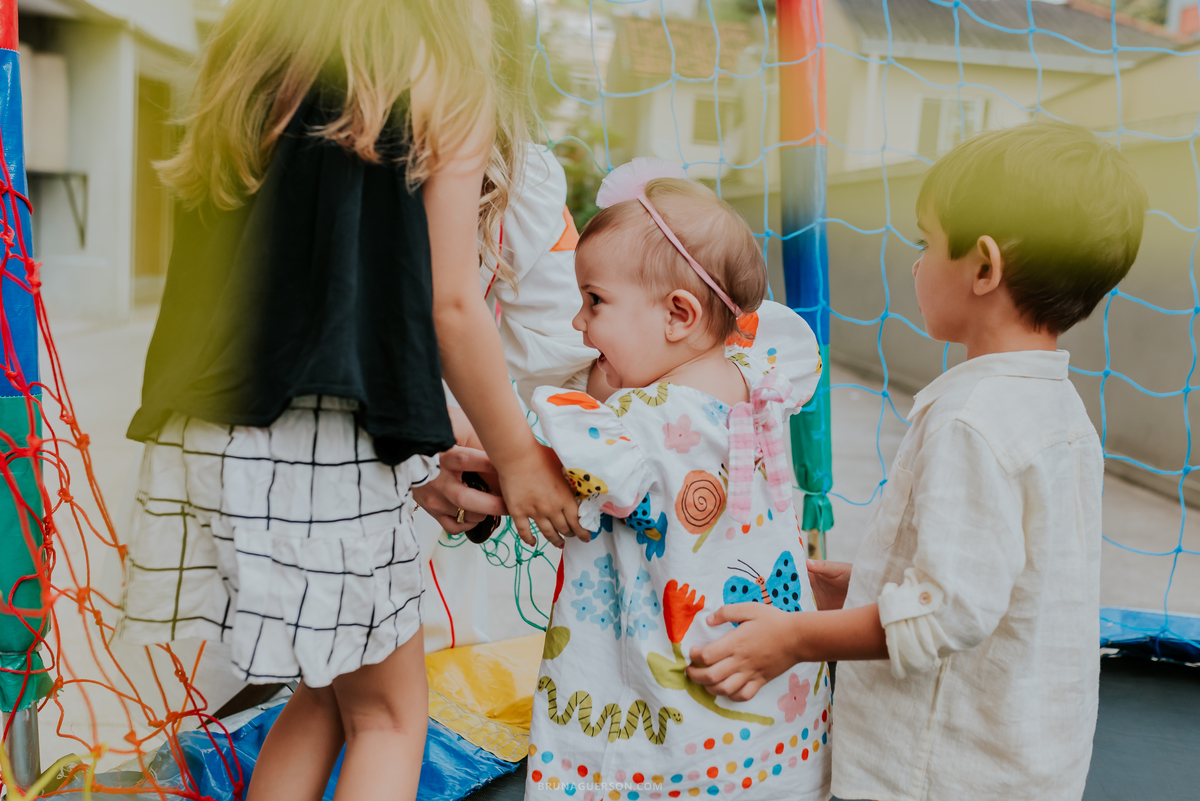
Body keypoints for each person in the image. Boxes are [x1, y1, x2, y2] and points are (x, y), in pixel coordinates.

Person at [115, 2, 585, 801]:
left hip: (212, 427)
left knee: (329, 693)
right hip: (321, 444)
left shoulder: (259, 50)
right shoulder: (445, 74)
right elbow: (451, 305)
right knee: (390, 717)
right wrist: (517, 455)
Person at [687, 122, 1148, 801]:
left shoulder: (971, 419)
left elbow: (946, 612)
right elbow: (995, 577)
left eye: (925, 243)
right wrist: (865, 583)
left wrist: (794, 638)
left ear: (984, 267)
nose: (915, 264)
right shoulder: (1057, 408)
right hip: (1024, 765)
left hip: (938, 774)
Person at [524, 159, 831, 801]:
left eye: (594, 301)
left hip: (665, 732)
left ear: (679, 315)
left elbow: (558, 481)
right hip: (768, 705)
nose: (579, 324)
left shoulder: (635, 427)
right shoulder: (760, 379)